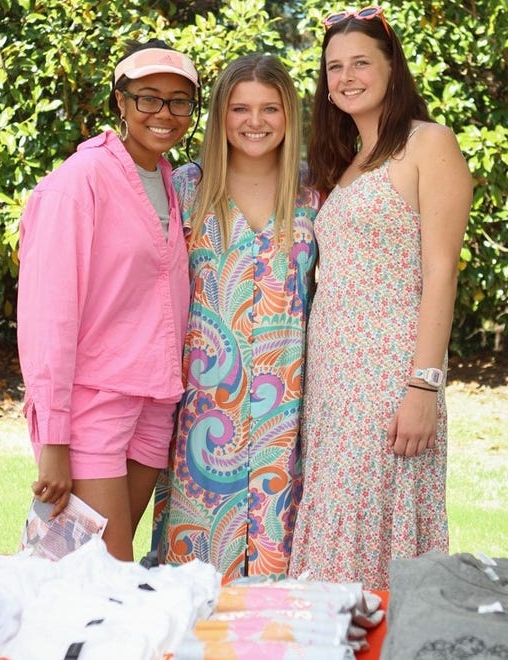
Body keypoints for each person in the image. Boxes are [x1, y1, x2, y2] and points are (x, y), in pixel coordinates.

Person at [288, 7, 473, 590]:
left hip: (390, 374)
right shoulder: (343, 163)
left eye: (361, 62)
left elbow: (441, 273)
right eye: (334, 66)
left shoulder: (428, 143)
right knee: (335, 525)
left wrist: (424, 384)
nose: (346, 76)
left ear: (392, 67)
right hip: (333, 381)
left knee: (374, 525)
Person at [17, 38, 201, 561]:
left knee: (95, 571)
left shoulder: (172, 182)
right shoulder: (77, 184)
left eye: (179, 100)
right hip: (93, 403)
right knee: (104, 572)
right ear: (121, 102)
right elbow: (46, 317)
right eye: (148, 97)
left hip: (155, 402)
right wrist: (53, 440)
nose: (164, 113)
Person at [151, 54, 319, 581]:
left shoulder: (316, 194)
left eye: (271, 108)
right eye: (240, 108)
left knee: (279, 595)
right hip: (198, 416)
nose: (255, 121)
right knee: (191, 593)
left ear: (289, 115)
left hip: (287, 416)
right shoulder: (184, 189)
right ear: (220, 114)